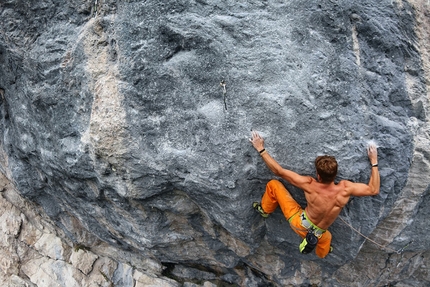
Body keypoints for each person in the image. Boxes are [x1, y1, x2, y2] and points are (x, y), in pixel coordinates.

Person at [249, 131, 380, 258]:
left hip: (299, 224)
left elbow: (279, 171)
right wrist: (373, 160)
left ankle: (265, 210)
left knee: (273, 185)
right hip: (320, 234)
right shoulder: (345, 189)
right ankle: (323, 252)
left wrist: (261, 148)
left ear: (318, 175)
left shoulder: (310, 185)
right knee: (326, 239)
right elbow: (373, 190)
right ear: (336, 174)